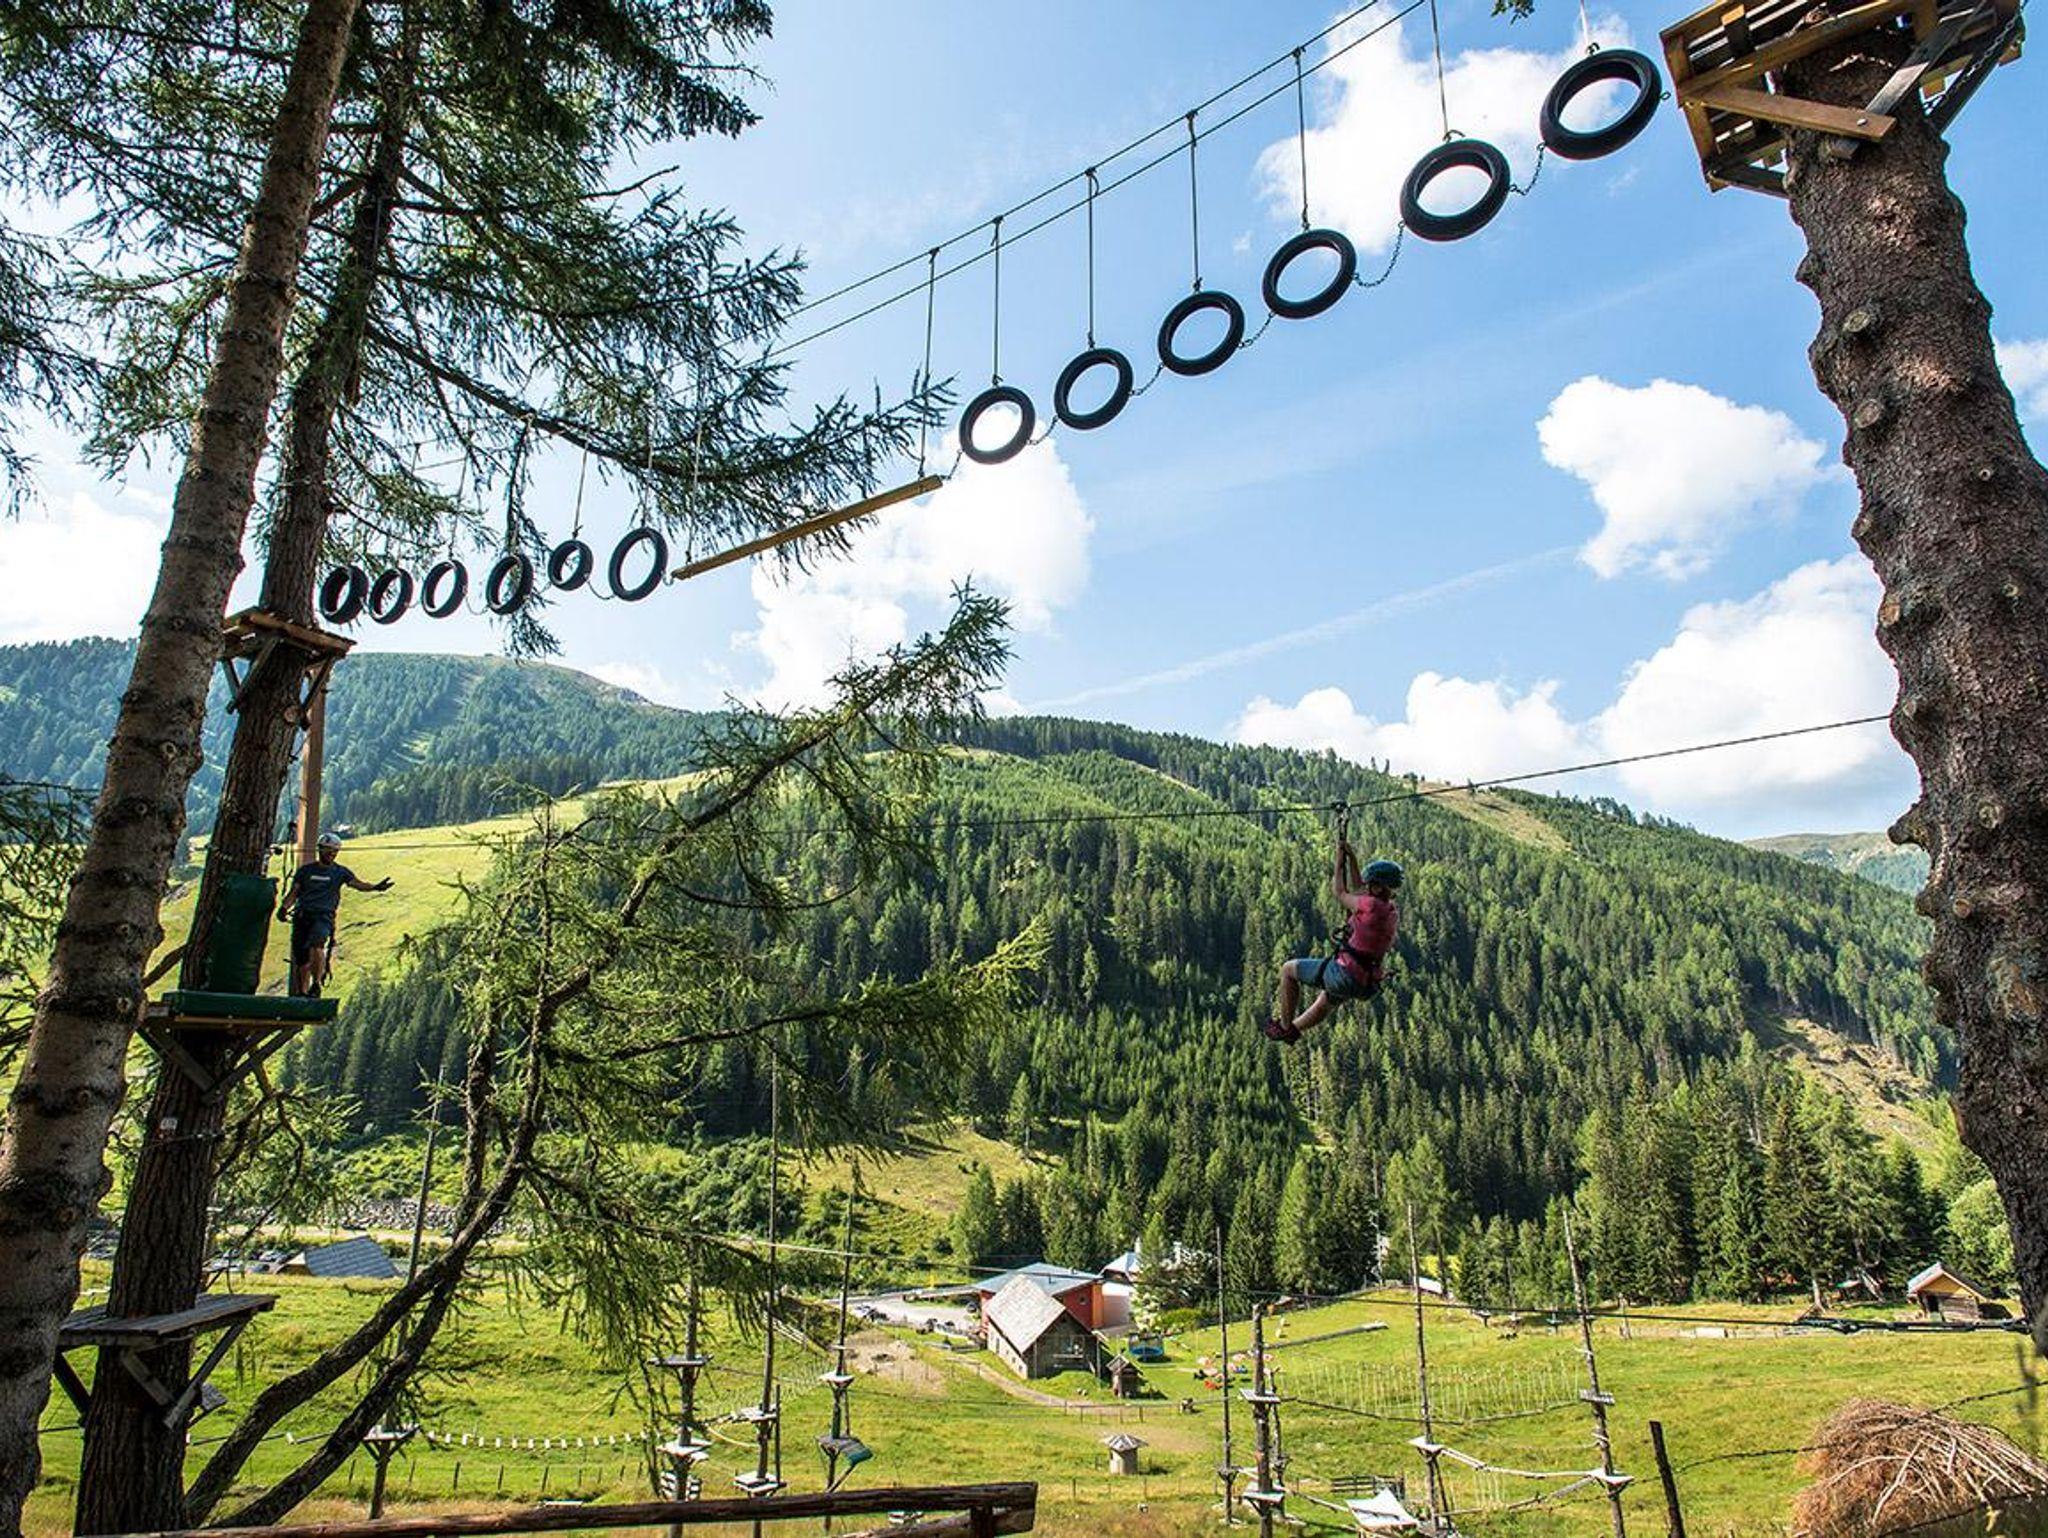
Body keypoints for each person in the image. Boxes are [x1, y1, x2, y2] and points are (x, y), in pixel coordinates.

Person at [1263, 823, 1401, 1044]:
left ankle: (1284, 1026)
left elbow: (1340, 892)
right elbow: (1359, 889)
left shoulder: (1370, 906)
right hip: (1364, 982)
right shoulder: (1390, 911)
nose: (1366, 887)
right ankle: (1294, 1030)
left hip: (1344, 973)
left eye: (1371, 884)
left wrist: (1339, 862)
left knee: (1288, 970)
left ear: (1377, 887)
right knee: (1325, 1002)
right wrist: (1351, 858)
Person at [278, 831, 392, 996]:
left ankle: (316, 984)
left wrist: (375, 887)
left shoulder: (340, 872)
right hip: (302, 916)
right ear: (320, 849)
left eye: (335, 851)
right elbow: (294, 893)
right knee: (301, 958)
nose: (332, 854)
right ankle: (302, 992)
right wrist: (284, 908)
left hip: (323, 917)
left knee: (317, 944)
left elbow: (357, 884)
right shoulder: (305, 871)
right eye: (329, 850)